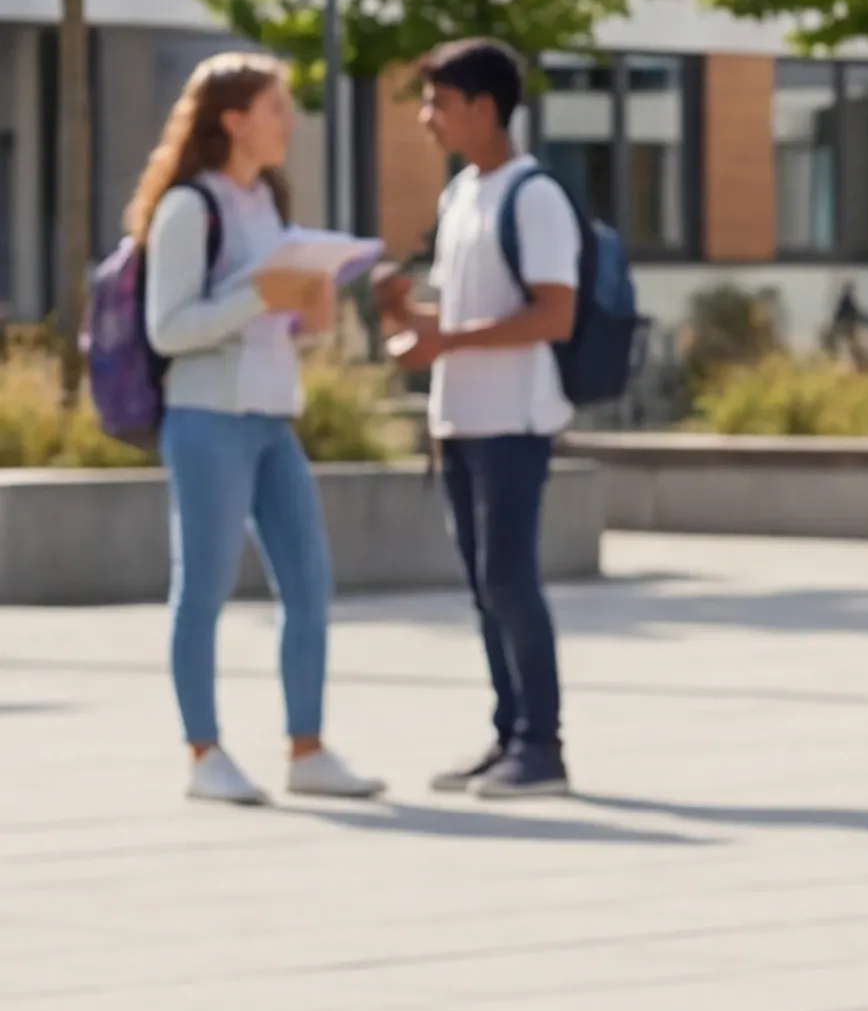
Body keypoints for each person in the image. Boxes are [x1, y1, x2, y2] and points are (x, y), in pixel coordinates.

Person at [132, 51, 383, 808]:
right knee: (202, 588)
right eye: (277, 107)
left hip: (273, 416)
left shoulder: (268, 204)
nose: (289, 121)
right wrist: (256, 298)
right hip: (207, 419)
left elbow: (278, 320)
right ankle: (203, 752)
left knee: (308, 584)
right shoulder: (188, 208)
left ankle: (306, 749)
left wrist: (311, 309)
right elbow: (168, 329)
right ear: (233, 120)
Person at [376, 40, 579, 795]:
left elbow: (554, 316)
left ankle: (542, 745)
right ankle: (508, 735)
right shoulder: (461, 195)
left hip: (515, 421)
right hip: (460, 421)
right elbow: (464, 316)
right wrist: (409, 316)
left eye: (439, 102)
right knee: (482, 584)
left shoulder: (536, 197)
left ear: (484, 108)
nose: (427, 119)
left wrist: (442, 339)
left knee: (510, 578)